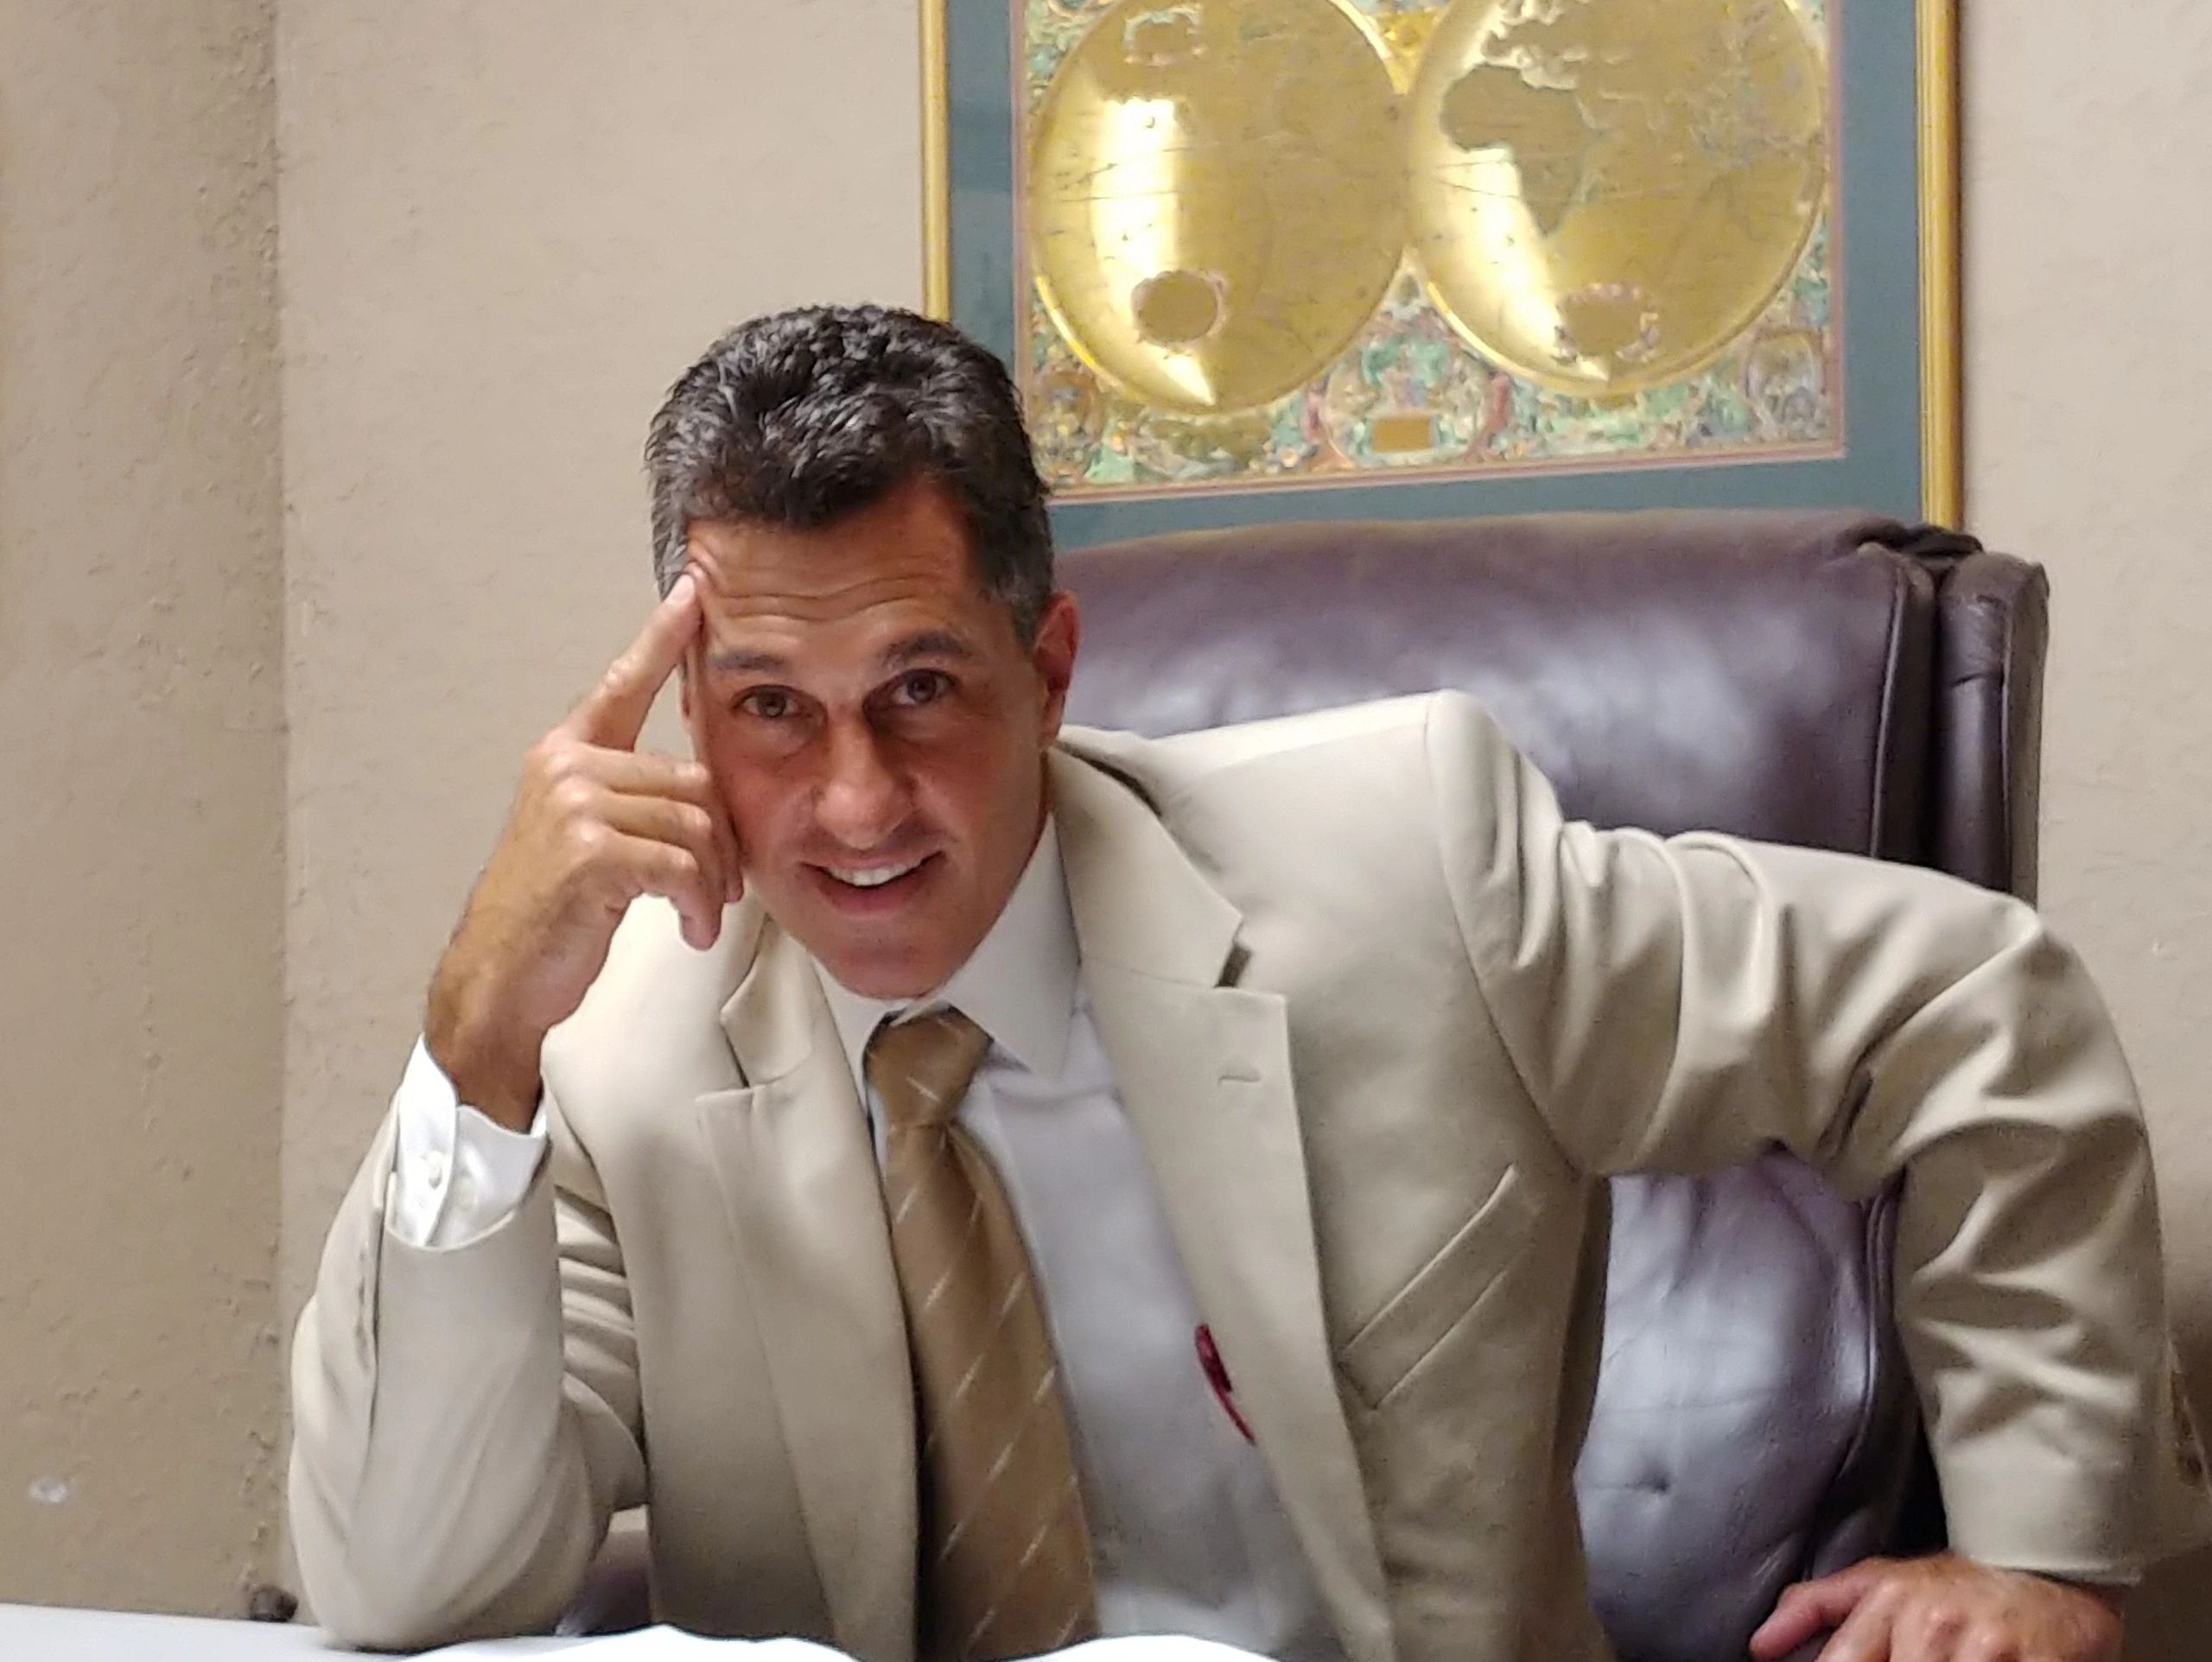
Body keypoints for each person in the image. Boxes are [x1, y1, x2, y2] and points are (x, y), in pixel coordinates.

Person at [290, 305, 2209, 1662]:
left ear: (1050, 669)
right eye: (771, 710)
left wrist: (2042, 1551)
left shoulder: (1405, 874)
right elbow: (406, 1579)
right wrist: (478, 1041)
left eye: (921, 690)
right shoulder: (620, 1048)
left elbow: (1966, 1003)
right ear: (688, 722)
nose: (853, 803)